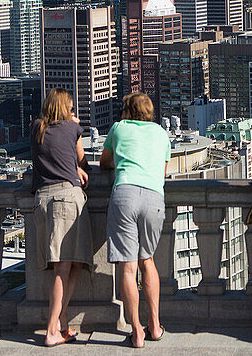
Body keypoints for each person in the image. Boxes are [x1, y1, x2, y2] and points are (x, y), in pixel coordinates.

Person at [99, 94, 170, 348]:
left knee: (127, 267)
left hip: (125, 193)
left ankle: (136, 331)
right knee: (147, 261)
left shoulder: (119, 127)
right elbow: (161, 173)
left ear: (127, 111)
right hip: (153, 197)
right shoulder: (162, 134)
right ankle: (155, 325)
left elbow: (104, 163)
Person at [30, 88, 93, 347]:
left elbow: (54, 156)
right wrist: (79, 165)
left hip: (42, 201)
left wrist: (73, 166)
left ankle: (62, 321)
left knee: (71, 264)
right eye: (70, 108)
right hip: (66, 200)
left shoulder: (36, 127)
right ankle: (51, 330)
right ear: (65, 109)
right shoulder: (71, 129)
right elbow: (82, 159)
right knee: (62, 268)